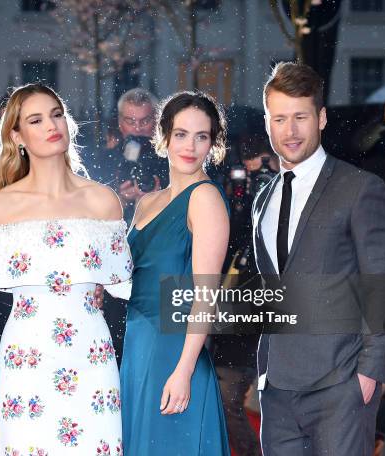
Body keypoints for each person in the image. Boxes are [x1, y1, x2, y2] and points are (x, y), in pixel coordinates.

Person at [0, 83, 132, 454]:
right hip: (26, 355)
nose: (50, 125)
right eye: (36, 119)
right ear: (17, 135)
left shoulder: (103, 202)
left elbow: (123, 285)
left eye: (56, 114)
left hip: (92, 356)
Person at [252, 62, 385, 455]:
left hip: (340, 385)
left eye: (300, 117)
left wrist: (369, 374)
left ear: (321, 117)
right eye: (279, 118)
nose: (290, 130)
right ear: (268, 123)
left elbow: (383, 287)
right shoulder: (262, 200)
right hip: (277, 389)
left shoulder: (359, 188)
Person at [120, 91, 231, 455]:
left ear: (213, 143)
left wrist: (183, 370)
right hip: (136, 345)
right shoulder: (147, 202)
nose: (191, 146)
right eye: (181, 134)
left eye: (202, 136)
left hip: (175, 350)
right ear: (164, 137)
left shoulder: (206, 199)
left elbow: (206, 295)